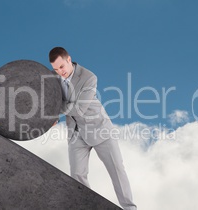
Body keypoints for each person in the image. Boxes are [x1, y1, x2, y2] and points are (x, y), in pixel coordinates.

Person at [49, 47, 137, 210]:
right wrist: (52, 116)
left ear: (69, 59)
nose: (59, 72)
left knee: (117, 170)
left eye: (61, 67)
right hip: (76, 133)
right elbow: (54, 97)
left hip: (99, 129)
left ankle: (130, 208)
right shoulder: (53, 77)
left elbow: (79, 109)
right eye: (55, 69)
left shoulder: (89, 77)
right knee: (76, 176)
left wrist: (55, 107)